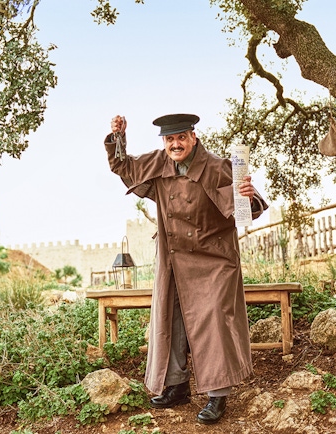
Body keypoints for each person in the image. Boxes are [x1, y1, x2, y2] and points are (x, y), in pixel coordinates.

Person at [103, 113, 268, 424]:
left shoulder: (218, 167)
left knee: (214, 323)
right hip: (174, 259)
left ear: (193, 137)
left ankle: (218, 395)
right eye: (169, 139)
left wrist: (248, 198)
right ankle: (176, 386)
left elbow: (246, 208)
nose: (175, 144)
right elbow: (124, 167)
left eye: (181, 137)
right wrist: (119, 138)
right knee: (172, 320)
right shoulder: (159, 163)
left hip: (214, 261)